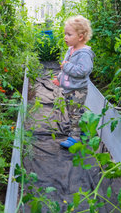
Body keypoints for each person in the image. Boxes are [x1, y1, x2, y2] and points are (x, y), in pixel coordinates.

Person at [52, 15, 95, 149]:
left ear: (80, 37)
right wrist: (60, 79)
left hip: (78, 90)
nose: (65, 37)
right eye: (65, 34)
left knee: (74, 114)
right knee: (73, 112)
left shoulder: (84, 54)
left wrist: (66, 67)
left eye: (69, 34)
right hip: (70, 88)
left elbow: (83, 70)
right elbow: (67, 69)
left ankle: (75, 138)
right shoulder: (71, 50)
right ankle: (82, 131)